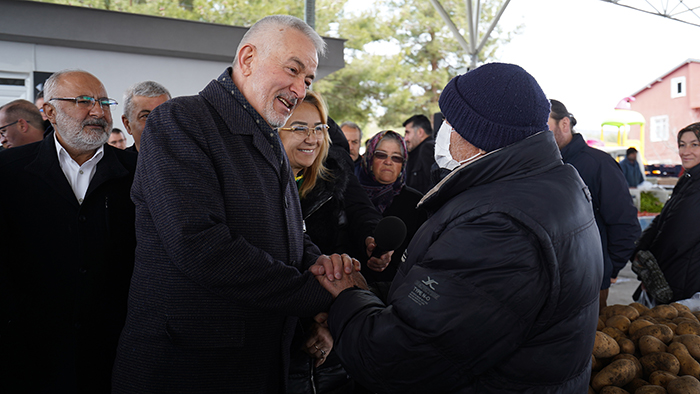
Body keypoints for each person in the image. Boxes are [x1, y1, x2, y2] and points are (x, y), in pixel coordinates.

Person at [314, 63, 603, 393]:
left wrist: (348, 299)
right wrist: (370, 295)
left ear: (480, 138)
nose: (442, 132)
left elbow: (399, 359)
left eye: (450, 122)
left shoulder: (500, 227)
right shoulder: (553, 184)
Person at [112, 15, 357, 393]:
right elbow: (199, 244)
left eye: (308, 79)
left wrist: (319, 264)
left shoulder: (270, 136)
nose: (299, 89)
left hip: (256, 360)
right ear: (246, 59)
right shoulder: (180, 121)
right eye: (293, 70)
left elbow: (288, 231)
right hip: (190, 367)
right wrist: (315, 293)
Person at [0, 70, 137, 393]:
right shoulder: (9, 172)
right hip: (28, 353)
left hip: (113, 351)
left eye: (104, 102)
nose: (98, 112)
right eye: (83, 101)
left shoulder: (137, 173)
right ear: (49, 112)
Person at [279, 90, 385, 394]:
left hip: (328, 329)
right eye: (299, 128)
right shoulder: (254, 190)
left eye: (319, 128)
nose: (311, 138)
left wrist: (330, 320)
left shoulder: (332, 175)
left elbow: (361, 210)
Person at [549, 99, 640, 309]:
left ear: (564, 124)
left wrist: (608, 270)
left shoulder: (598, 164)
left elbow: (624, 223)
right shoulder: (542, 164)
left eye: (543, 125)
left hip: (589, 281)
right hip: (548, 281)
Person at [634, 122, 700, 303]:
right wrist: (640, 249)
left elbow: (677, 236)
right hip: (676, 274)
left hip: (687, 280)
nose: (685, 151)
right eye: (682, 144)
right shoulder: (687, 180)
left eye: (695, 145)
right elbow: (662, 220)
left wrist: (650, 264)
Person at [357, 130, 427, 290]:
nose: (388, 162)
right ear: (369, 157)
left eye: (396, 157)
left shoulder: (416, 203)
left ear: (403, 164)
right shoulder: (352, 195)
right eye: (381, 155)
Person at [121, 80, 171, 152]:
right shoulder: (117, 163)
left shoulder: (189, 159)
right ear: (127, 125)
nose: (157, 123)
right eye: (146, 116)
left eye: (164, 114)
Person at [403, 114, 436, 194]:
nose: (405, 138)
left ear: (420, 132)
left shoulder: (427, 147)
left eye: (408, 133)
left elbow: (434, 184)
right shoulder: (416, 151)